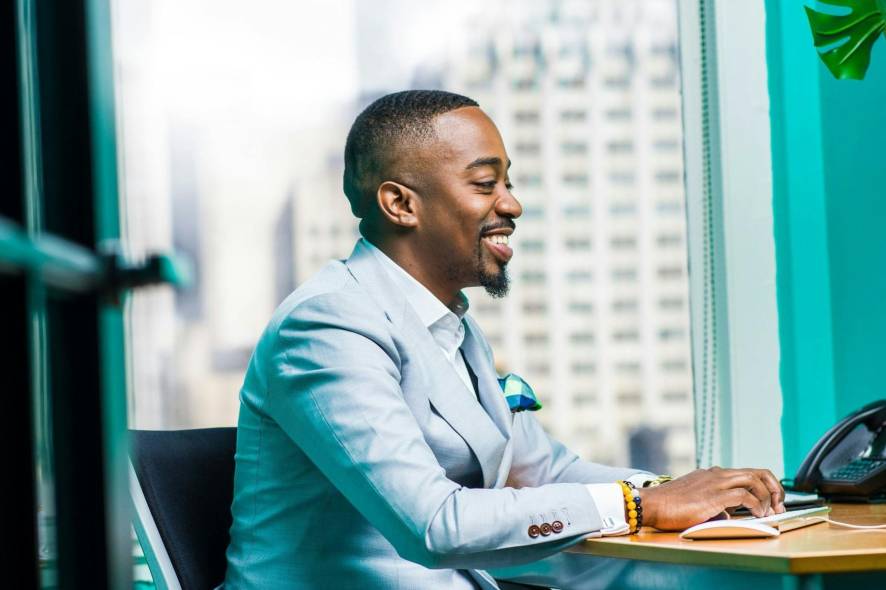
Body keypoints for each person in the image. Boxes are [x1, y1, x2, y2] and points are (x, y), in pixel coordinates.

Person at [222, 90, 785, 590]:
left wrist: (691, 494)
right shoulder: (327, 327)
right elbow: (433, 525)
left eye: (508, 183)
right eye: (486, 184)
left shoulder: (451, 327)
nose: (512, 204)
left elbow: (546, 473)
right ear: (401, 204)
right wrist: (641, 505)